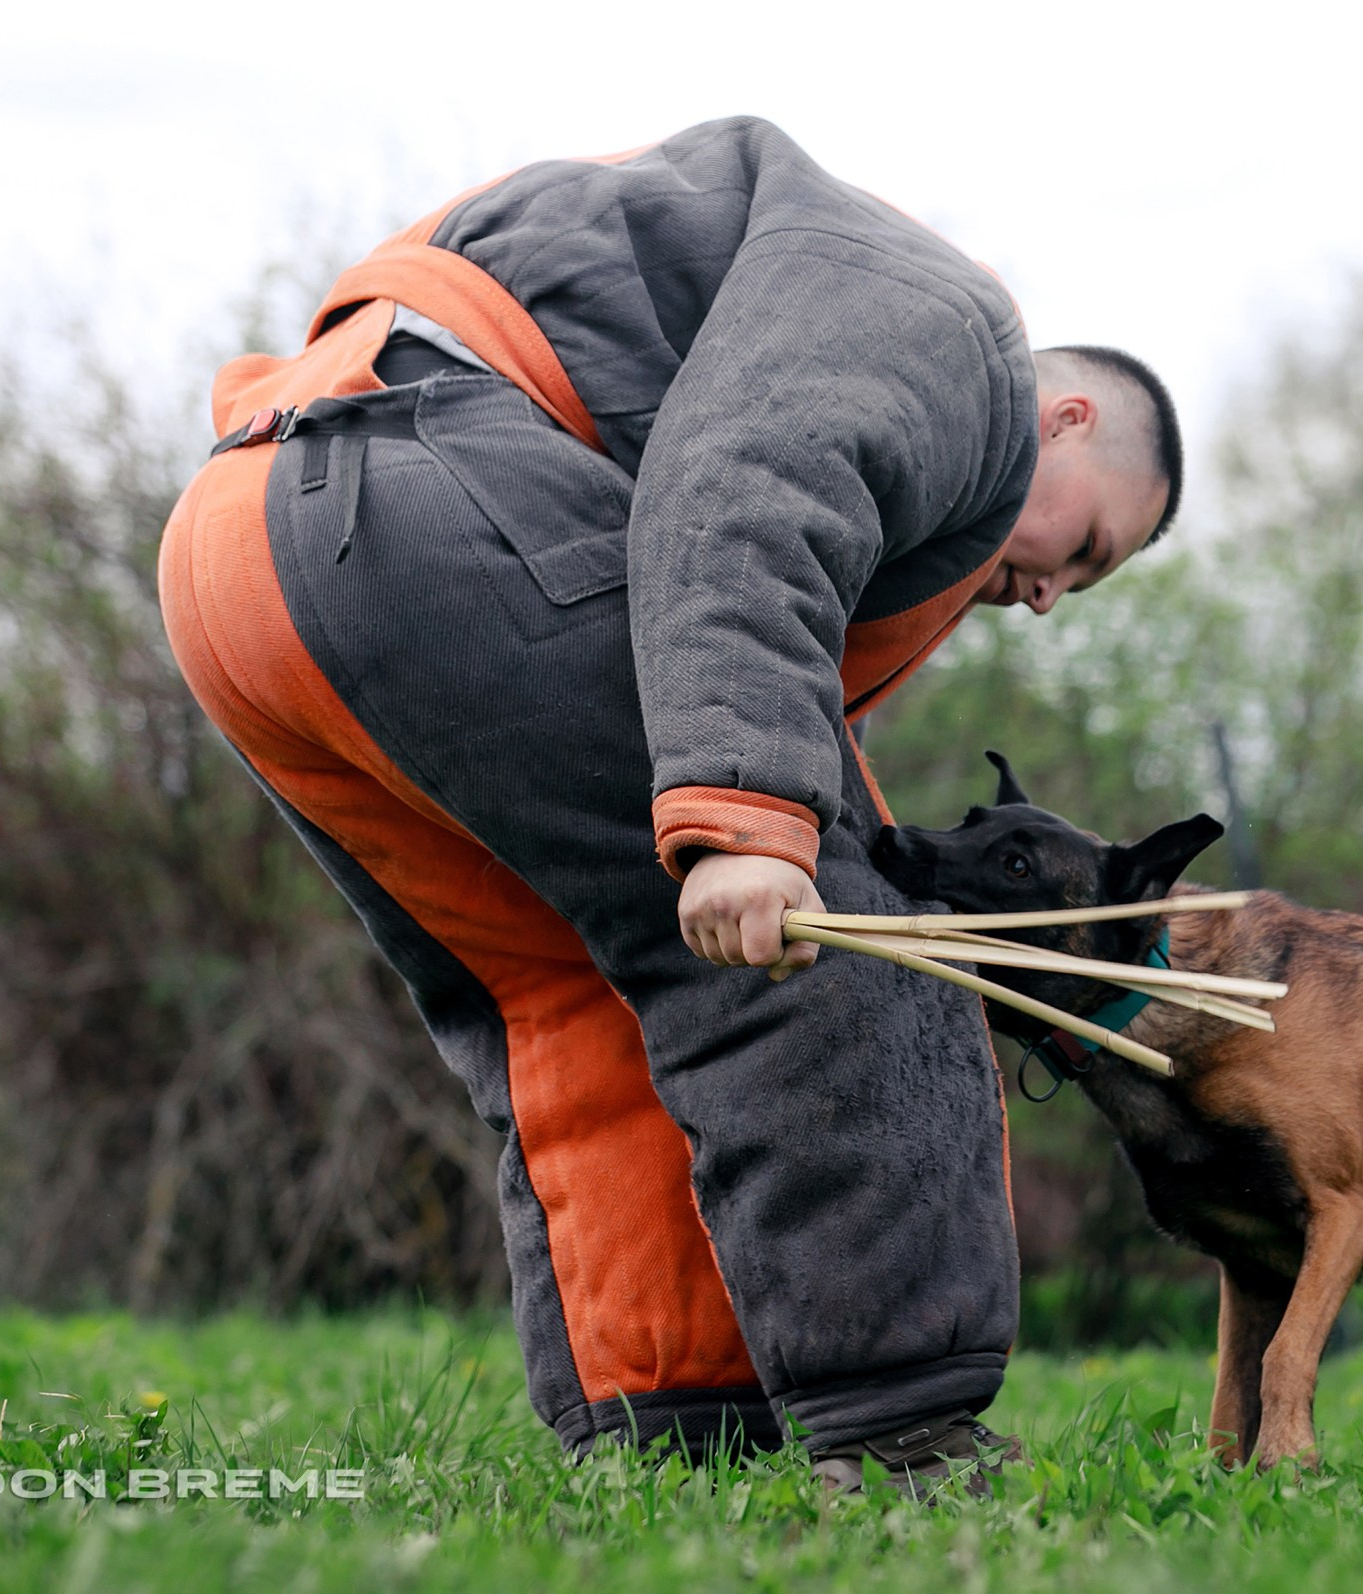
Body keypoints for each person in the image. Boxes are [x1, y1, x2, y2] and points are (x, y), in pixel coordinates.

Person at [156, 116, 1182, 1491]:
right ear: (1062, 418)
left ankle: (668, 1432)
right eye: (1089, 548)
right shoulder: (954, 328)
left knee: (566, 991)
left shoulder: (838, 323)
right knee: (834, 951)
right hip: (423, 512)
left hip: (250, 548)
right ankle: (907, 1441)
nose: (1051, 594)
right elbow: (747, 480)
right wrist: (752, 819)